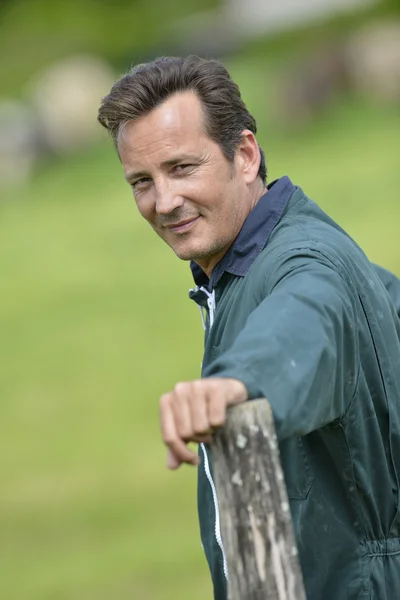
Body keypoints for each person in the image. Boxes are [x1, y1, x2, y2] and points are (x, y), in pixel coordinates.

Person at [97, 56, 400, 599]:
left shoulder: (304, 262)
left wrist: (238, 380)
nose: (163, 202)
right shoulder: (245, 270)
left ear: (244, 155)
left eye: (182, 168)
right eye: (142, 181)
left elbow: (307, 320)